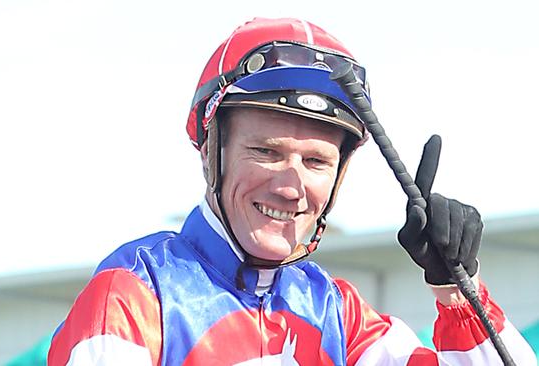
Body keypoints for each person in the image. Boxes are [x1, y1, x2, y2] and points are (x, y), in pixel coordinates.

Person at [47, 18, 536, 365]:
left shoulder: (337, 314)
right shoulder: (134, 296)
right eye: (266, 151)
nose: (290, 186)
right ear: (208, 152)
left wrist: (457, 290)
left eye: (317, 162)